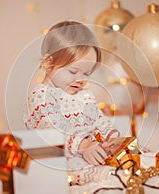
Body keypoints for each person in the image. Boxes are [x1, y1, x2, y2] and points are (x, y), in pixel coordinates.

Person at [23, 20, 127, 192]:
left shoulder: (83, 95)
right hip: (59, 165)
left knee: (121, 168)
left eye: (87, 73)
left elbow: (100, 120)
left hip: (86, 157)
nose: (81, 79)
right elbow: (52, 129)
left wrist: (113, 139)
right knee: (108, 177)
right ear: (49, 63)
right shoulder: (41, 96)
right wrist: (83, 145)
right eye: (73, 71)